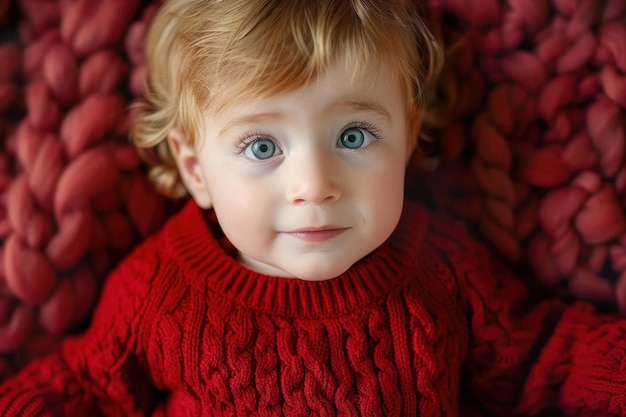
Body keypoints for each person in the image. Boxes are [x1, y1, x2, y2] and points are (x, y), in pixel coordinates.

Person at [0, 0, 625, 415]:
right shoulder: (158, 291)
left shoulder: (443, 269)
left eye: (353, 136)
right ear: (196, 170)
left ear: (407, 136)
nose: (314, 184)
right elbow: (82, 388)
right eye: (263, 145)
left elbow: (542, 353)